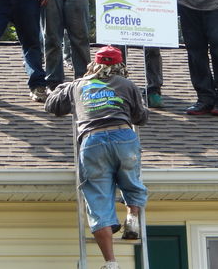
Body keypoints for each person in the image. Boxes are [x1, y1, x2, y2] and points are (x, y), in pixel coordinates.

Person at [45, 45, 148, 269]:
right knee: (131, 181)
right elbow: (141, 118)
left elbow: (52, 106)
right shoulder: (128, 85)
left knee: (98, 201)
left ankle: (111, 263)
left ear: (95, 64)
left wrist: (66, 87)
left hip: (93, 141)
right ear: (119, 65)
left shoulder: (79, 85)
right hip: (123, 137)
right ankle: (132, 219)